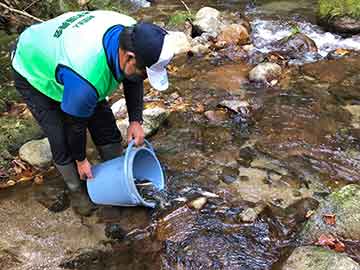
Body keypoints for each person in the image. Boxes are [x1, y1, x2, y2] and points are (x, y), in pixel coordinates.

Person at [10, 10, 175, 215]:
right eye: (145, 72)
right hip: (32, 65)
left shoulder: (133, 34)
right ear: (128, 57)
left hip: (70, 61)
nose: (145, 78)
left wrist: (135, 121)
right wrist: (81, 160)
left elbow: (134, 78)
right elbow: (75, 125)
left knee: (103, 123)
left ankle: (118, 170)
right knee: (60, 135)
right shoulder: (86, 78)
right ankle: (76, 190)